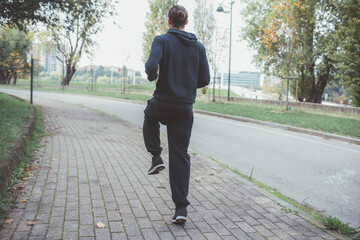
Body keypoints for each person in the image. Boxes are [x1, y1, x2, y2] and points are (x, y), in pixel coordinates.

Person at [143, 5, 210, 224]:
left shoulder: (161, 41)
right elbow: (205, 80)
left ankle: (156, 156)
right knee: (180, 155)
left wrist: (153, 76)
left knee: (149, 115)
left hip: (163, 102)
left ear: (169, 22)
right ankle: (181, 208)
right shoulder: (198, 47)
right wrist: (188, 85)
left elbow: (151, 66)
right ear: (186, 22)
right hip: (184, 108)